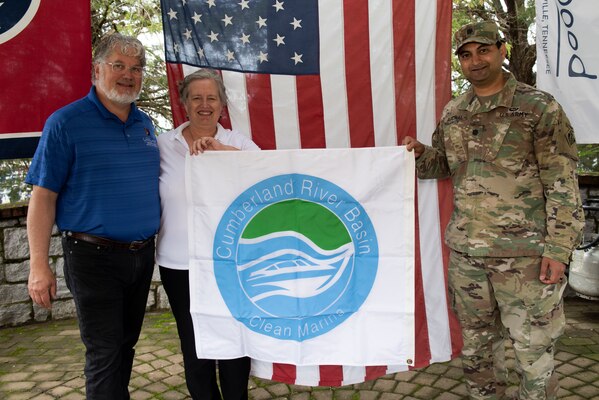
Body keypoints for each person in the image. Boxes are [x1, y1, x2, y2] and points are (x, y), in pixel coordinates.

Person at [403, 21, 584, 400]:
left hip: (526, 259)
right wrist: (421, 156)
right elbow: (446, 167)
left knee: (532, 352)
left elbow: (562, 182)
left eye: (483, 50)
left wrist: (558, 249)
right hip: (469, 256)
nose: (475, 60)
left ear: (502, 50)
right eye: (466, 55)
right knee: (477, 350)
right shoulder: (455, 111)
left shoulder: (538, 107)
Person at [26, 33, 160, 399]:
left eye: (136, 68)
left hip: (141, 255)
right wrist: (39, 265)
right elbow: (42, 197)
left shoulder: (146, 124)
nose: (128, 75)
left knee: (126, 347)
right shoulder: (65, 123)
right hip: (92, 257)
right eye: (118, 65)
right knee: (104, 351)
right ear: (96, 69)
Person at [156, 69, 259, 399]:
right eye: (196, 98)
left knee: (232, 345)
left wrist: (222, 152)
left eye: (211, 98)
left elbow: (267, 175)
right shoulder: (163, 145)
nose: (204, 104)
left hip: (229, 264)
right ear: (184, 103)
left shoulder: (238, 143)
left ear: (222, 104)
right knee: (194, 345)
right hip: (178, 264)